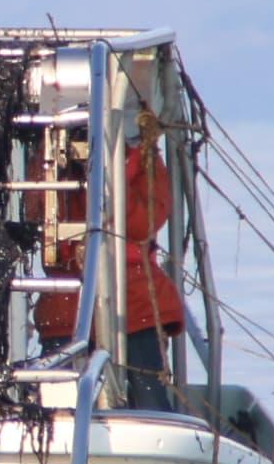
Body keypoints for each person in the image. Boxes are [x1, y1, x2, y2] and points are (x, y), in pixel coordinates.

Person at [28, 114, 186, 408]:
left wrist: (110, 180)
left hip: (134, 304)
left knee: (149, 399)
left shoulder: (145, 162)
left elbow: (143, 223)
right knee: (56, 405)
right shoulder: (50, 163)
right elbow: (37, 213)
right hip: (67, 302)